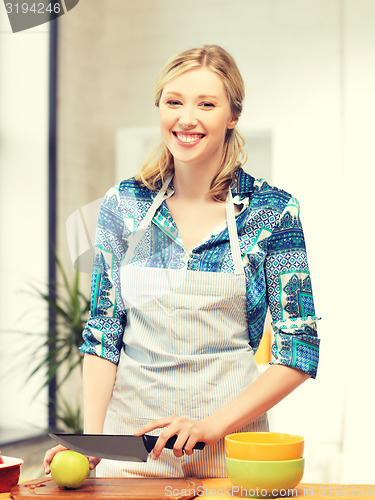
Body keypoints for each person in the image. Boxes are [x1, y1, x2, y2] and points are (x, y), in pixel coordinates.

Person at [44, 45, 320, 479]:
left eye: (206, 104)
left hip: (229, 460)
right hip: (127, 456)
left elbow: (300, 349)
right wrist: (92, 442)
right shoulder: (126, 205)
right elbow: (103, 333)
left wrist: (209, 427)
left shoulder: (271, 211)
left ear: (233, 116)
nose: (186, 118)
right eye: (174, 102)